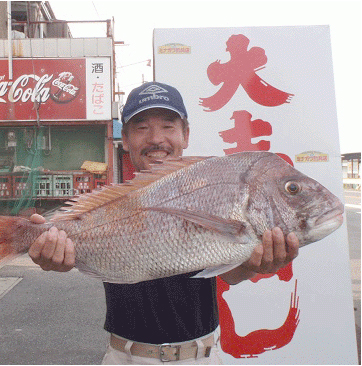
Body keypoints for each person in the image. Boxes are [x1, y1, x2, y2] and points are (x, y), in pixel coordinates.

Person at [28, 81, 299, 364]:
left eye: (168, 126)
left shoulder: (211, 190)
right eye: (141, 127)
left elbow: (229, 274)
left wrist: (255, 265)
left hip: (200, 356)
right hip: (126, 357)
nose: (156, 139)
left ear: (186, 134)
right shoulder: (108, 205)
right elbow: (71, 252)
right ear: (127, 138)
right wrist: (51, 251)